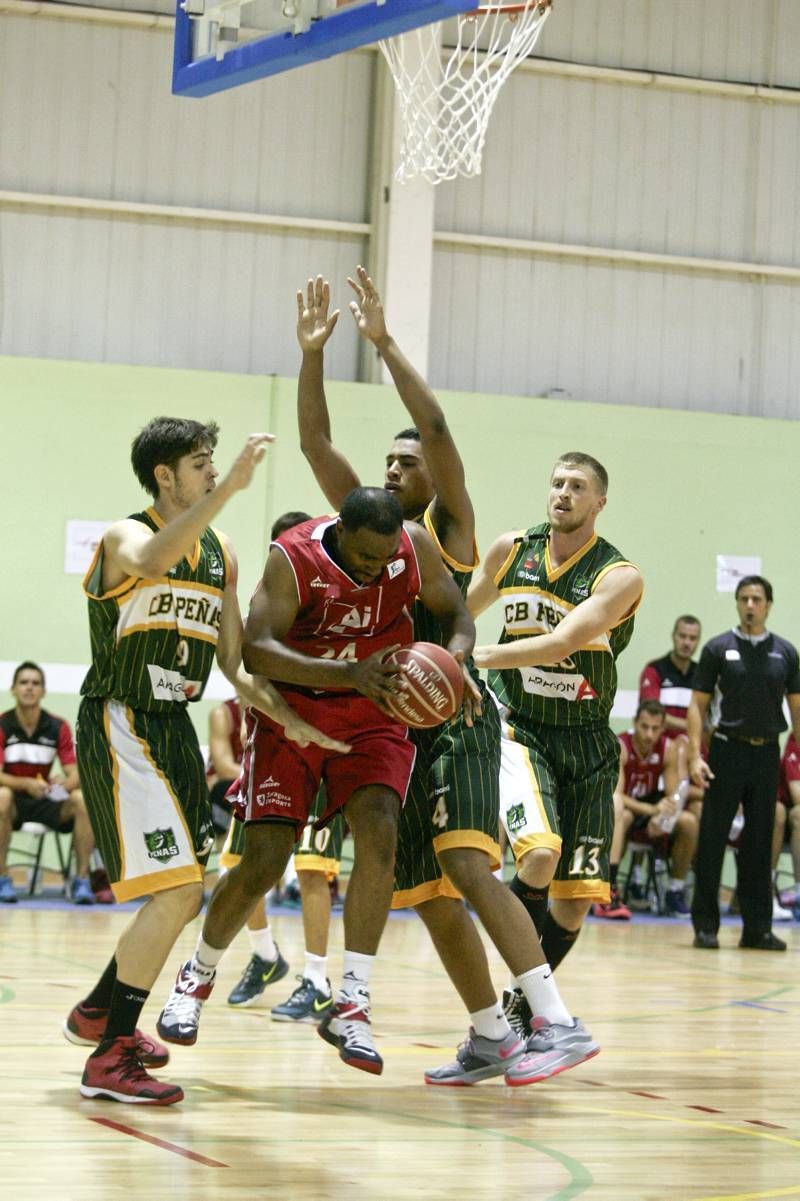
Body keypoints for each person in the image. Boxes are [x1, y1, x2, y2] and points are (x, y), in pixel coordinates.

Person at [293, 270, 597, 1088]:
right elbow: (318, 447)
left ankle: (557, 1021)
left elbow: (434, 421)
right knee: (429, 892)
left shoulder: (448, 528)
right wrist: (313, 357)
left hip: (458, 716)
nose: (394, 469)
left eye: (407, 460)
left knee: (468, 864)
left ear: (434, 471)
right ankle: (492, 1033)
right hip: (401, 733)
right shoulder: (372, 527)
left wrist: (386, 345)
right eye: (387, 461)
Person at [63, 417, 344, 1106]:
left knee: (184, 891)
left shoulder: (221, 552)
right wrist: (233, 491)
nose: (214, 471)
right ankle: (112, 1052)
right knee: (179, 892)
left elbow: (234, 668)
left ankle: (102, 1007)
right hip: (122, 718)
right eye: (200, 462)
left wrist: (295, 720)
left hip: (175, 730)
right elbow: (156, 560)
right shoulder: (124, 536)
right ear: (165, 475)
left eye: (215, 461)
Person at [157, 485, 477, 1076]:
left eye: (386, 559)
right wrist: (345, 672)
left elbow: (457, 615)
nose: (377, 569)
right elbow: (257, 651)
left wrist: (456, 663)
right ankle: (194, 978)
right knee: (265, 860)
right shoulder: (293, 556)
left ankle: (352, 1002)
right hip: (294, 712)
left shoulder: (414, 547)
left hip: (377, 707)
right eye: (364, 558)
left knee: (379, 834)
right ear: (339, 531)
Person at [469, 451, 644, 1008]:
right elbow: (458, 612)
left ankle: (522, 1008)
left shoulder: (619, 576)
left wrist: (471, 655)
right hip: (521, 728)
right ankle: (482, 958)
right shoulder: (511, 550)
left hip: (588, 739)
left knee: (573, 901)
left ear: (600, 502)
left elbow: (562, 642)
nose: (563, 493)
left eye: (577, 486)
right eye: (557, 483)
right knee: (539, 856)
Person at [688, 575, 800, 951]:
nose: (750, 605)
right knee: (712, 838)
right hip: (725, 751)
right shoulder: (718, 648)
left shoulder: (785, 653)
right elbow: (698, 706)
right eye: (744, 598)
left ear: (769, 604)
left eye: (757, 599)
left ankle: (757, 929)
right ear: (737, 603)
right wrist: (693, 756)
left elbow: (798, 711)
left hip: (767, 752)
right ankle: (706, 926)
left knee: (759, 841)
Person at [0, 661, 95, 904]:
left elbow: (76, 773)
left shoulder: (57, 726)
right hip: (14, 803)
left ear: (43, 691)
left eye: (35, 683)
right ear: (13, 689)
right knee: (2, 796)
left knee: (82, 800)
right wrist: (25, 784)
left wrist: (63, 785)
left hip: (46, 800)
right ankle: (3, 878)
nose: (29, 688)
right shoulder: (2, 724)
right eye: (24, 683)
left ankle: (82, 880)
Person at [615, 700, 698, 916]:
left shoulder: (668, 749)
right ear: (635, 723)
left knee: (688, 822)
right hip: (628, 809)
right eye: (644, 727)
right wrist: (650, 811)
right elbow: (616, 796)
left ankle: (675, 890)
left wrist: (663, 816)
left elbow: (673, 796)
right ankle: (610, 887)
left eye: (655, 728)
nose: (649, 734)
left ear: (662, 729)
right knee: (622, 816)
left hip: (651, 809)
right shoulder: (621, 746)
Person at [639, 616, 702, 737]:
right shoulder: (654, 670)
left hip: (692, 748)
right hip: (660, 749)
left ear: (698, 641)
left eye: (692, 638)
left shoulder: (703, 674)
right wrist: (692, 725)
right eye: (682, 636)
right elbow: (651, 715)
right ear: (673, 636)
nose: (687, 643)